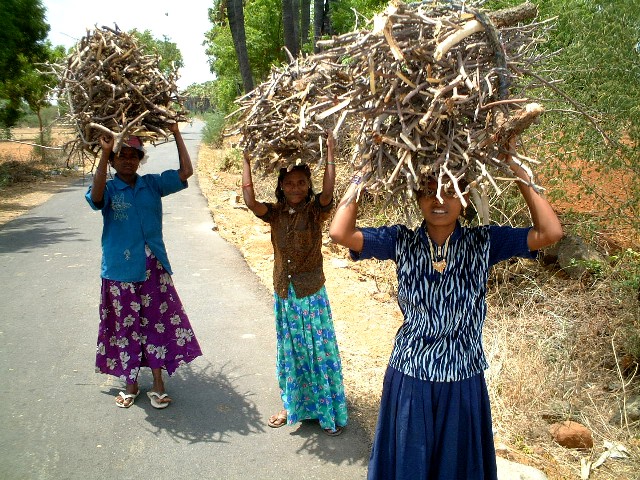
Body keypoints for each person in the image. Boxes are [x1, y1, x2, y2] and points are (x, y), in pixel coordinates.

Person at [329, 139, 563, 478]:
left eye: (450, 191)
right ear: (416, 197)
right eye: (428, 190)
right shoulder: (401, 241)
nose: (439, 201)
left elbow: (550, 231)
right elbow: (340, 232)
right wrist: (361, 177)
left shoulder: (484, 242)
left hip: (463, 376)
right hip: (411, 375)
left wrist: (516, 165)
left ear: (465, 197)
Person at [85, 122, 202, 409]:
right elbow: (96, 197)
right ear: (113, 161)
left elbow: (186, 172)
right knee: (126, 327)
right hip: (119, 270)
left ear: (140, 160)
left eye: (134, 155)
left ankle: (159, 383)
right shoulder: (109, 188)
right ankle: (130, 381)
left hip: (154, 267)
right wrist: (104, 152)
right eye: (121, 155)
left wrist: (176, 133)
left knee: (156, 323)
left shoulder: (152, 184)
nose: (128, 160)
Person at [241, 133, 348, 436]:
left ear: (308, 185)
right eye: (289, 183)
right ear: (281, 187)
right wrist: (246, 161)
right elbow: (250, 201)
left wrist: (329, 152)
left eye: (301, 182)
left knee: (317, 352)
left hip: (311, 294)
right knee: (291, 353)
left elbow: (328, 191)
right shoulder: (274, 214)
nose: (295, 188)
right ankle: (293, 406)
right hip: (285, 295)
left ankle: (327, 410)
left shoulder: (316, 210)